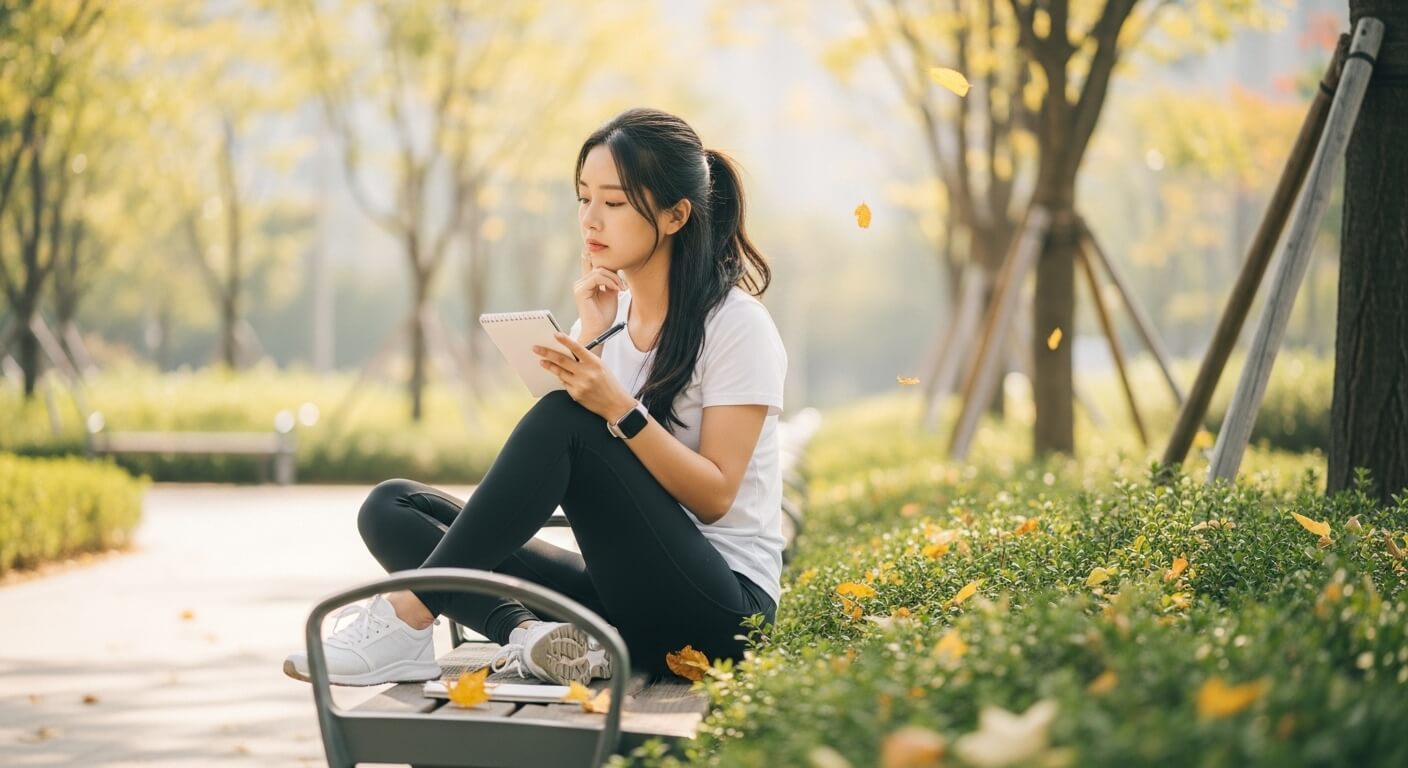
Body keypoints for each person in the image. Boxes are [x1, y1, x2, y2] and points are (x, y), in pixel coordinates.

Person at [284, 107, 788, 687]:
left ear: (676, 215)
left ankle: (407, 617)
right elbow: (562, 467)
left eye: (615, 202)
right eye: (583, 198)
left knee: (567, 418)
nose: (591, 219)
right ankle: (532, 636)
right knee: (392, 507)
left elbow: (716, 495)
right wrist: (593, 332)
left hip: (720, 616)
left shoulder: (736, 325)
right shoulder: (610, 320)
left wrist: (618, 408)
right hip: (622, 595)